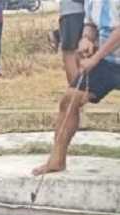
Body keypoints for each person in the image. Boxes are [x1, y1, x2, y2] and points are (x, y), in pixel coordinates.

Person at [33, 0, 120, 176]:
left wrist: (94, 59)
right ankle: (57, 160)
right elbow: (90, 23)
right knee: (68, 101)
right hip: (108, 62)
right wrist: (86, 38)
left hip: (103, 57)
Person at [59, 0, 86, 84]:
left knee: (69, 54)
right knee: (83, 53)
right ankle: (84, 91)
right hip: (89, 12)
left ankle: (75, 92)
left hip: (71, 11)